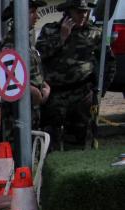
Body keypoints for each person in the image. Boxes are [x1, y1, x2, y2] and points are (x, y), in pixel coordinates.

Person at [37, 0, 115, 149]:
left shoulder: (94, 33)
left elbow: (109, 63)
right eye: (79, 12)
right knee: (49, 143)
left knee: (77, 143)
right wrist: (61, 37)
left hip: (82, 96)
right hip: (55, 97)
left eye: (86, 12)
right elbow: (39, 56)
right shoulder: (50, 30)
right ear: (68, 12)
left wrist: (99, 92)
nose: (83, 15)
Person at [0, 0, 51, 145]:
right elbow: (8, 79)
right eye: (32, 12)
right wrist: (33, 91)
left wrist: (44, 87)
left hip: (32, 110)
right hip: (16, 113)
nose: (37, 16)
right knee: (17, 153)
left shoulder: (25, 41)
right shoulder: (10, 43)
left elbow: (33, 71)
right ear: (18, 15)